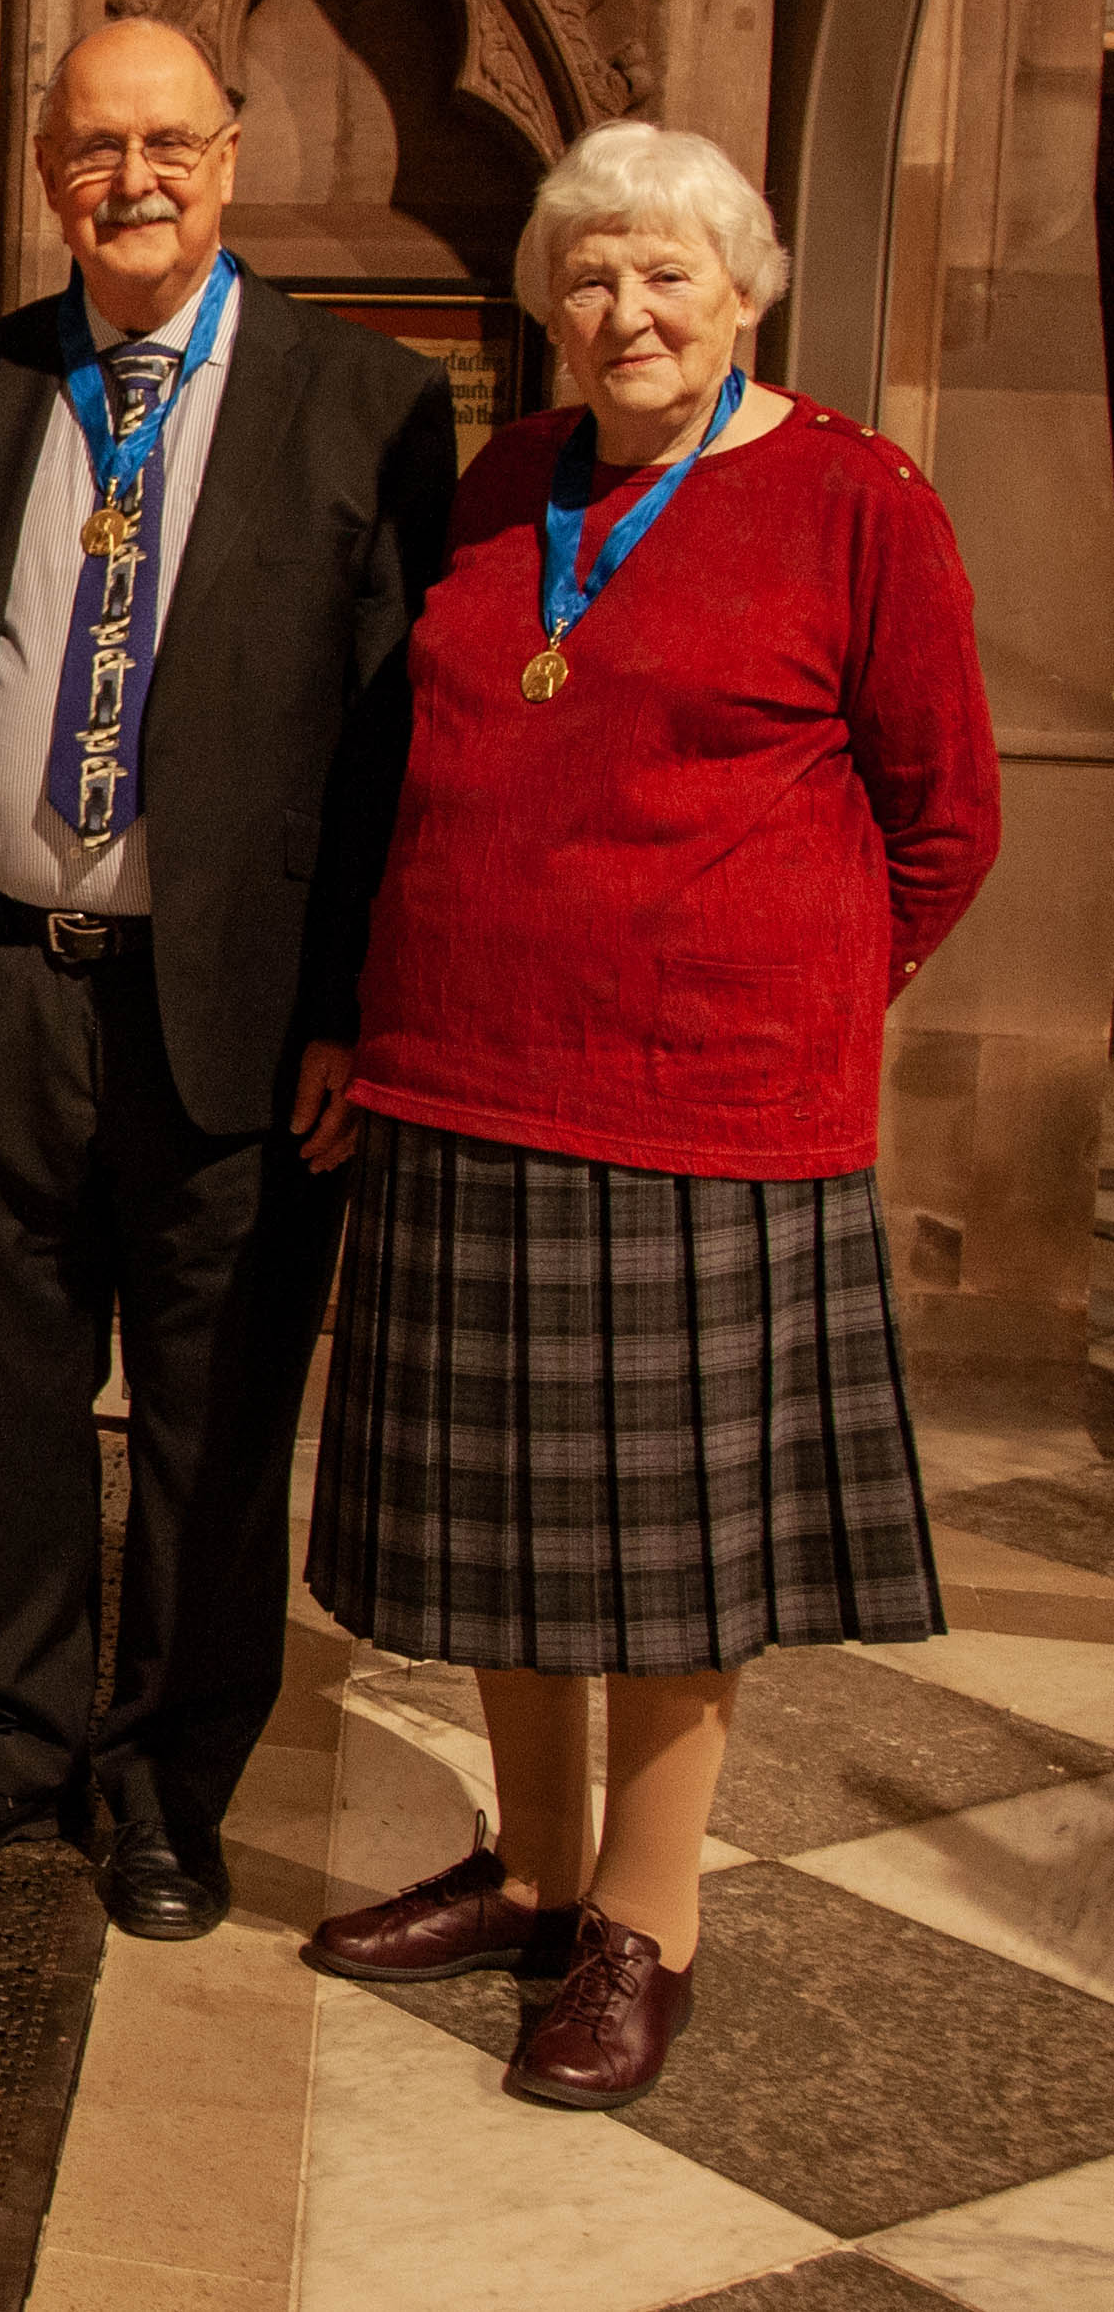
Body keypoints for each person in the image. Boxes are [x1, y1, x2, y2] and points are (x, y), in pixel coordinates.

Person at [298, 121, 998, 2106]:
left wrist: (781, 996)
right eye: (588, 276)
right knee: (500, 1525)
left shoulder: (852, 495)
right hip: (460, 1071)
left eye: (663, 273)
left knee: (671, 1558)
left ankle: (643, 1917)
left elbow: (942, 814)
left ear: (740, 290)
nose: (623, 310)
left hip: (702, 1116)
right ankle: (528, 1862)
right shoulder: (510, 478)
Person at [0, 17, 455, 1936]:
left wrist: (359, 1005)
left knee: (214, 1422)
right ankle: (20, 1736)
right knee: (7, 1391)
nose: (135, 178)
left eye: (169, 142)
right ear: (48, 174)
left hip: (245, 1013)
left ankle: (171, 1789)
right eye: (96, 148)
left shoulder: (363, 398)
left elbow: (396, 745)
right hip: (3, 978)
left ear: (234, 153)